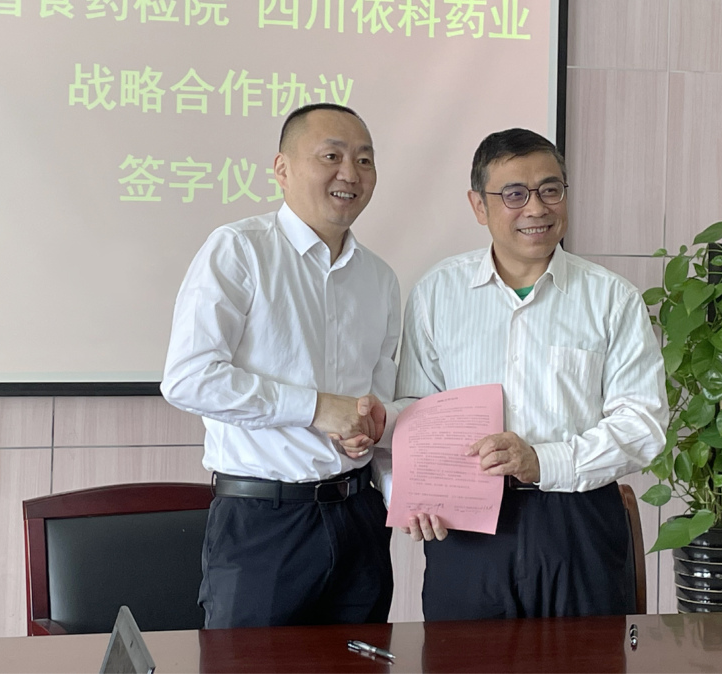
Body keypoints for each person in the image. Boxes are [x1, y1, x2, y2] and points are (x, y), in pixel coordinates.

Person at [392, 128, 668, 621]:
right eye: (515, 194)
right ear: (479, 206)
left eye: (550, 190)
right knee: (462, 657)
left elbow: (643, 425)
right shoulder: (436, 294)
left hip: (578, 522)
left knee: (586, 657)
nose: (536, 208)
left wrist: (543, 461)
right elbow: (414, 411)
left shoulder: (612, 298)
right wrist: (409, 493)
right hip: (467, 528)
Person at [161, 103, 399, 629]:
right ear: (282, 169)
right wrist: (316, 408)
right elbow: (188, 378)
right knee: (248, 665)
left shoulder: (380, 279)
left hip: (359, 520)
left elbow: (376, 403)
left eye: (364, 160)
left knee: (361, 666)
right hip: (263, 523)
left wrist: (371, 441)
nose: (350, 173)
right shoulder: (239, 250)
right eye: (331, 156)